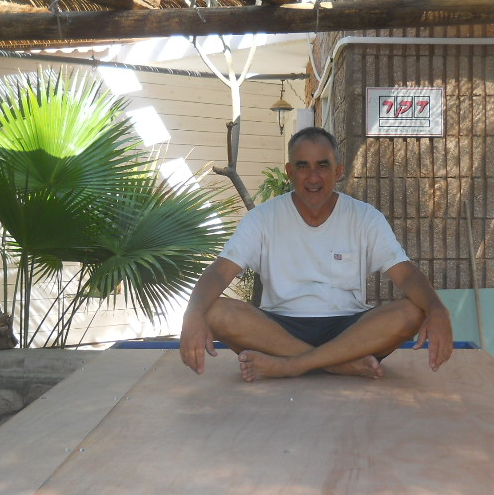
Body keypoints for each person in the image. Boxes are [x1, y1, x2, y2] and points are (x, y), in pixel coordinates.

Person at [179, 126, 453, 381]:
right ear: (290, 171)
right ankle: (338, 364)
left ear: (338, 171)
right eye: (303, 166)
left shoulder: (365, 217)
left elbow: (406, 274)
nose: (313, 177)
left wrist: (437, 309)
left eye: (322, 166)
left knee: (412, 311)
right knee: (215, 311)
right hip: (278, 329)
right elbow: (220, 272)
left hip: (351, 331)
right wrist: (192, 313)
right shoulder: (262, 218)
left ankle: (291, 365)